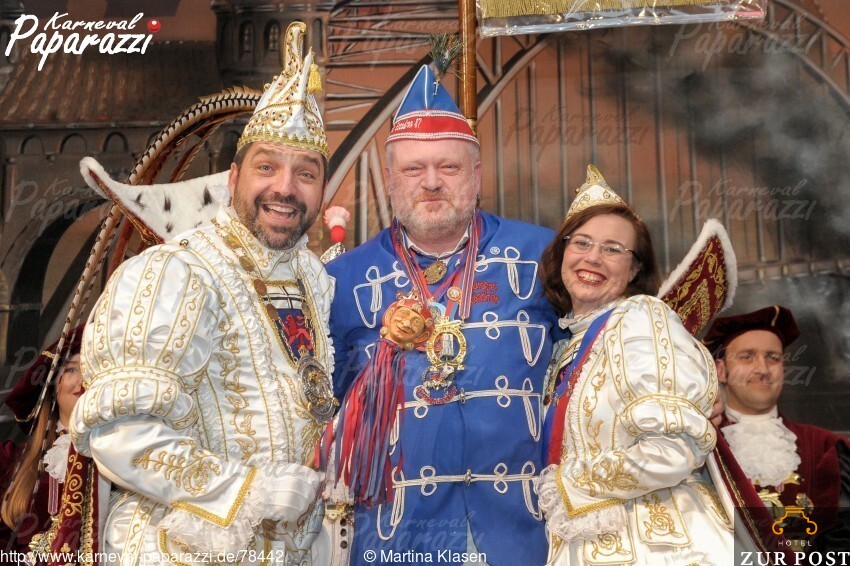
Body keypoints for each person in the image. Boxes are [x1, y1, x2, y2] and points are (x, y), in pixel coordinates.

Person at [68, 22, 336, 564]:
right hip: (180, 548)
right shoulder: (178, 272)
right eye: (267, 167)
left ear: (322, 189)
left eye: (305, 174)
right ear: (233, 178)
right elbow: (121, 431)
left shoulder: (314, 278)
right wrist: (244, 489)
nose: (285, 187)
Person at [326, 64, 561, 566]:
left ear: (477, 175)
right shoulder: (341, 279)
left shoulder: (543, 255)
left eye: (449, 167)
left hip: (520, 530)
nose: (431, 182)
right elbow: (314, 403)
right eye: (413, 169)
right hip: (397, 537)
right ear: (390, 180)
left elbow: (593, 355)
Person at [534, 165, 734, 565]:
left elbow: (673, 447)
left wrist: (570, 484)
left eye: (613, 249)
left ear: (635, 268)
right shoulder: (565, 344)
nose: (593, 257)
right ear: (562, 253)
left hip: (659, 546)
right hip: (582, 541)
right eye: (582, 243)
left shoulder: (641, 316)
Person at [704, 306, 850, 551]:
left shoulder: (825, 447)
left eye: (773, 357)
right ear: (721, 370)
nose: (762, 369)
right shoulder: (702, 446)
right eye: (747, 357)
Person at [1, 326, 104, 564]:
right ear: (53, 386)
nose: (84, 379)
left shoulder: (128, 457)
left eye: (94, 369)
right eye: (72, 369)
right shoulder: (11, 461)